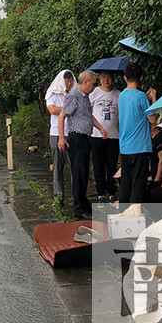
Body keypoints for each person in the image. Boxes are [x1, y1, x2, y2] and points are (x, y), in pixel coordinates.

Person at [58, 70, 109, 219]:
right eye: (93, 83)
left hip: (86, 138)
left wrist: (101, 128)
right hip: (76, 139)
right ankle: (79, 209)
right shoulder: (73, 96)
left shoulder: (84, 97)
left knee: (84, 173)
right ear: (86, 82)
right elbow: (62, 116)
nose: (94, 87)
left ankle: (84, 204)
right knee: (79, 174)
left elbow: (88, 116)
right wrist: (62, 138)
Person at [117, 62, 157, 205]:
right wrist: (154, 99)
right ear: (141, 78)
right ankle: (135, 216)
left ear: (125, 78)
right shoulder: (141, 97)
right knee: (138, 184)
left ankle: (123, 214)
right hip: (140, 147)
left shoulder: (121, 96)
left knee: (126, 183)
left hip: (125, 146)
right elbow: (152, 119)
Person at [90, 71, 120, 203]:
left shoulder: (118, 94)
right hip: (96, 135)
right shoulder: (94, 93)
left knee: (112, 165)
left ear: (113, 79)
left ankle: (112, 192)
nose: (106, 80)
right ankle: (101, 193)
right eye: (103, 77)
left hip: (114, 135)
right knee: (98, 165)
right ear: (99, 79)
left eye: (109, 77)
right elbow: (88, 111)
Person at [46, 70, 75, 205]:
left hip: (72, 134)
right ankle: (59, 196)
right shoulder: (53, 93)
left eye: (71, 81)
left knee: (75, 167)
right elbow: (52, 110)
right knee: (58, 167)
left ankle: (76, 195)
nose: (69, 83)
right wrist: (68, 109)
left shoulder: (74, 94)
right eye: (67, 81)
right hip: (56, 134)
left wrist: (62, 109)